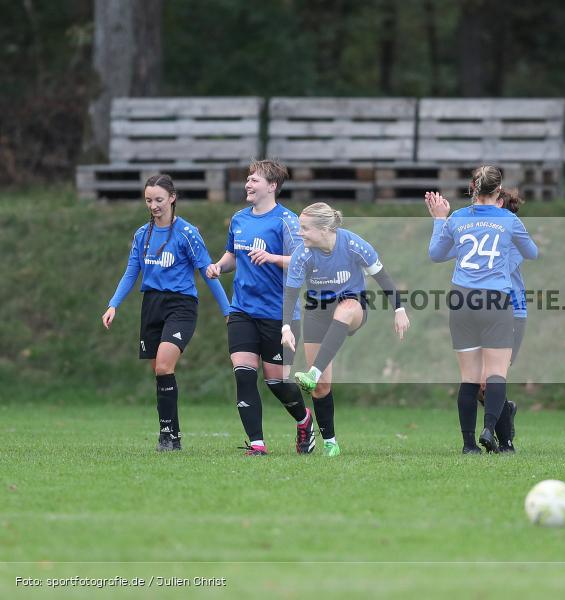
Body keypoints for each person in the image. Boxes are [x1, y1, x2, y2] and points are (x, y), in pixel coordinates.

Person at [102, 174, 230, 451]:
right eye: (149, 200)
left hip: (181, 305)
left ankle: (169, 435)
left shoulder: (187, 233)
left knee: (163, 365)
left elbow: (208, 273)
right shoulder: (141, 234)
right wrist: (113, 304)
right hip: (152, 305)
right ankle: (169, 435)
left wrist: (227, 311)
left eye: (159, 199)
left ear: (172, 198)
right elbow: (131, 272)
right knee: (159, 372)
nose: (153, 205)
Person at [425, 165, 538, 453]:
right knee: (496, 374)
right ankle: (489, 430)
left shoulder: (458, 218)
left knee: (470, 379)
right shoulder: (509, 220)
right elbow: (533, 253)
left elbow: (436, 254)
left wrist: (440, 220)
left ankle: (468, 445)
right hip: (495, 299)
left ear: (473, 189)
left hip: (462, 299)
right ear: (498, 191)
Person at [284, 202, 411, 457]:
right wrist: (286, 326)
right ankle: (331, 442)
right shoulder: (303, 254)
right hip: (317, 313)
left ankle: (313, 371)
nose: (300, 233)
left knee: (345, 308)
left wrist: (399, 310)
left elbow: (383, 277)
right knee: (321, 388)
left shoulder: (353, 245)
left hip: (353, 307)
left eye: (305, 228)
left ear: (325, 229)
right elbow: (290, 295)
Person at [206, 159, 313, 456]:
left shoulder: (288, 222)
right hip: (242, 309)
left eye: (254, 180)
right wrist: (218, 266)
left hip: (280, 315)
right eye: (248, 179)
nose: (248, 185)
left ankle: (304, 420)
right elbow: (233, 255)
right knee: (243, 372)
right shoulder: (239, 219)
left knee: (277, 381)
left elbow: (305, 262)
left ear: (272, 186)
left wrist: (272, 258)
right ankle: (257, 443)